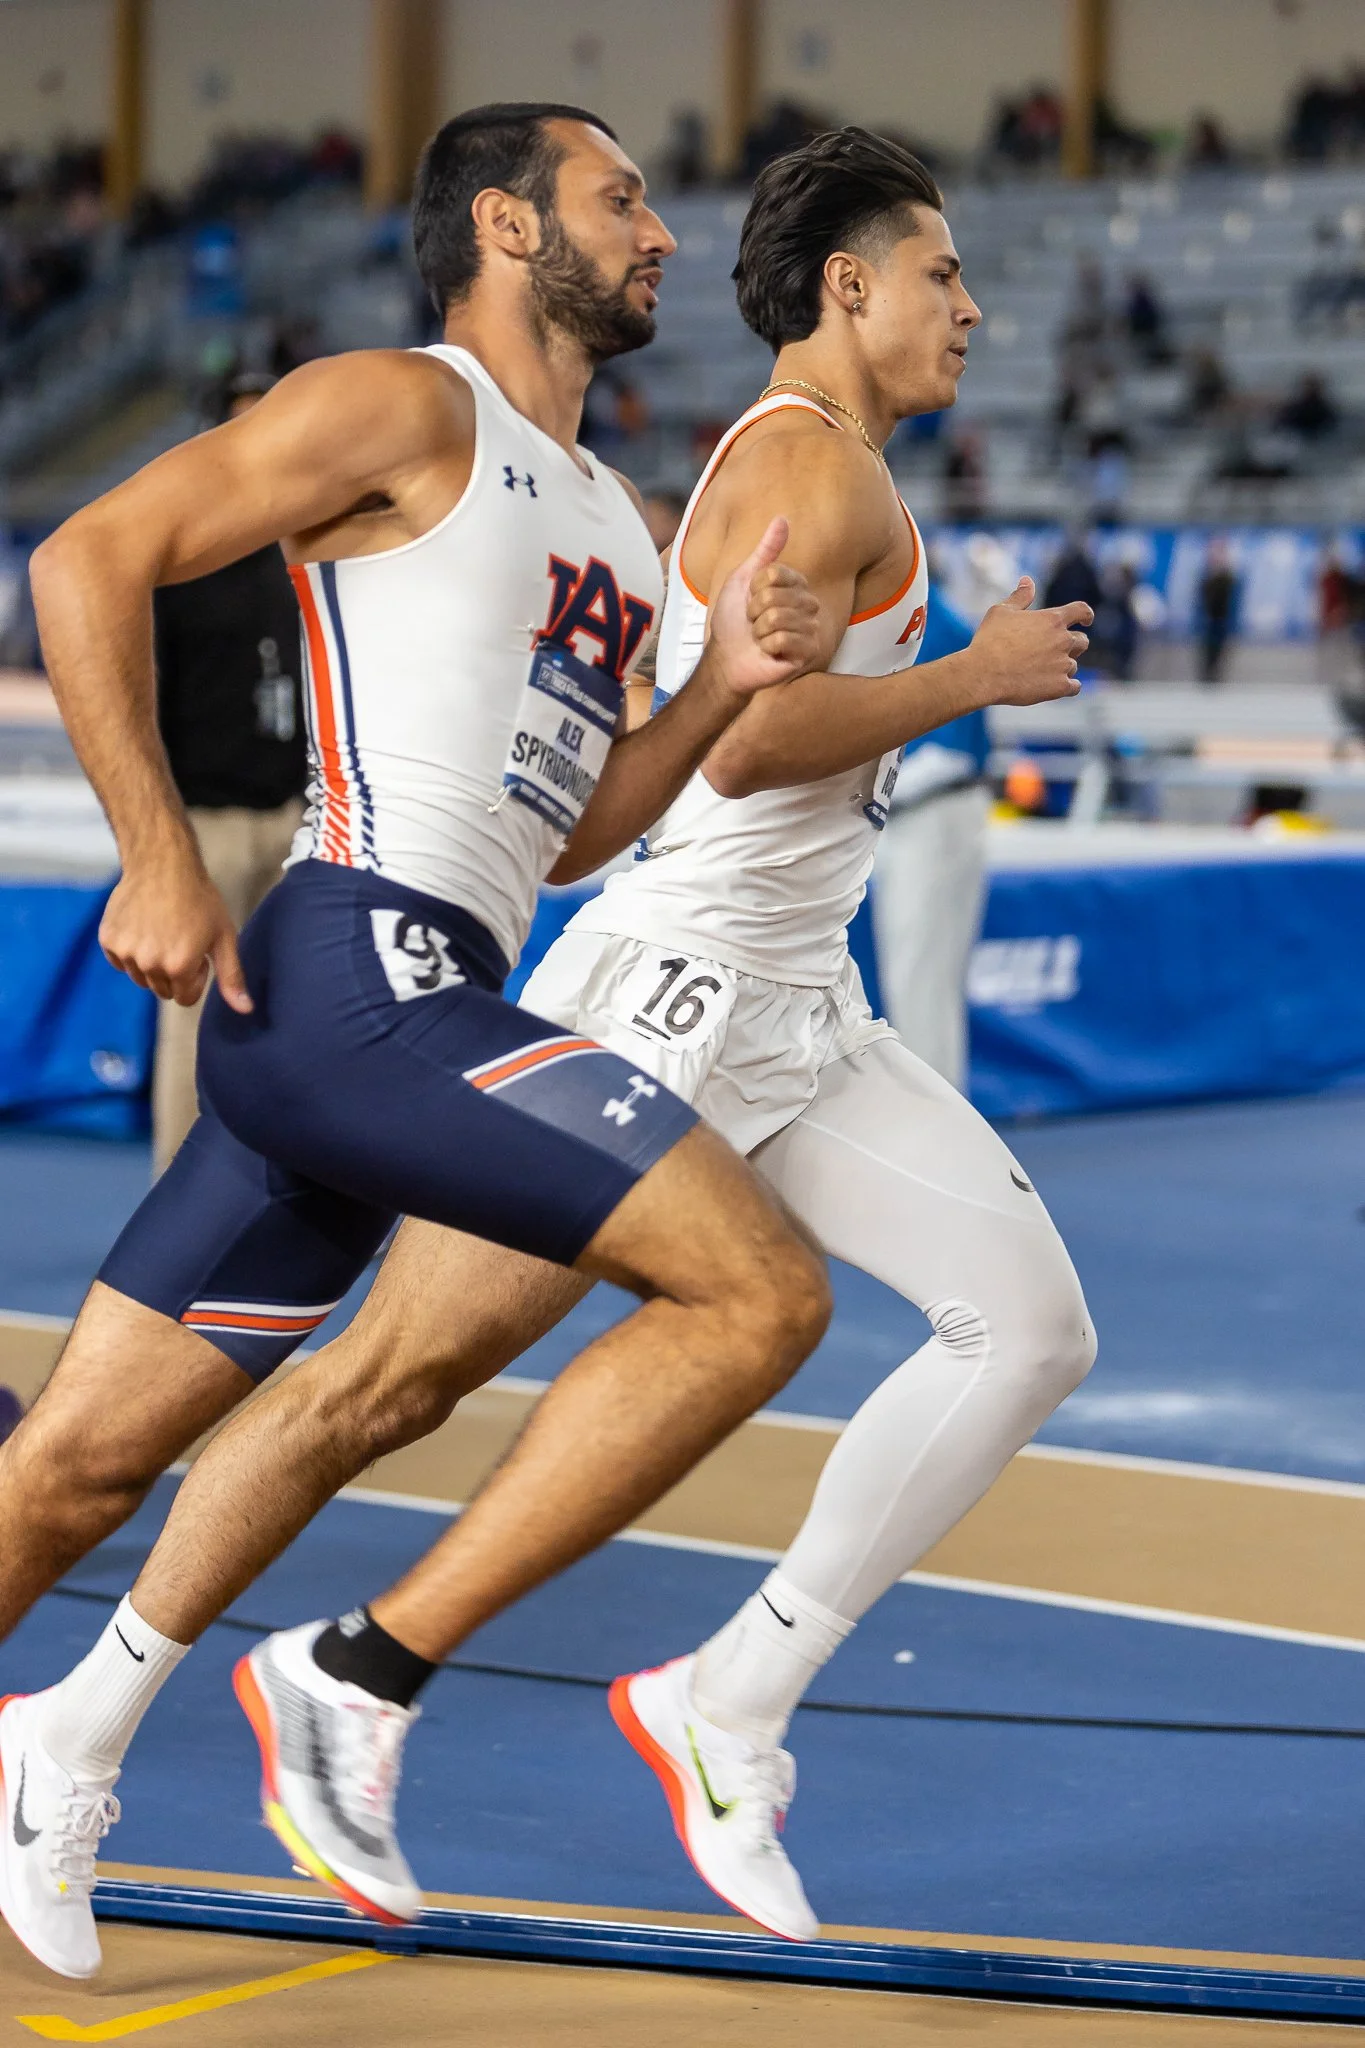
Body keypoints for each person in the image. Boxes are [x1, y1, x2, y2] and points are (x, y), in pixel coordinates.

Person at [17, 127, 1097, 1954]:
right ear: (509, 227)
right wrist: (152, 855)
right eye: (621, 202)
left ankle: (64, 1730)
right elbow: (86, 555)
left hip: (445, 988)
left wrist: (715, 693)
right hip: (362, 974)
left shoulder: (604, 513)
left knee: (78, 1465)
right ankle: (359, 1680)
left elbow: (581, 830)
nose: (663, 232)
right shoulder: (401, 403)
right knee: (755, 1297)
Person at [150, 371, 307, 1173]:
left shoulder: (307, 550)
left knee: (302, 1006)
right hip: (205, 820)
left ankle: (285, 1179)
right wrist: (156, 839)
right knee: (193, 1017)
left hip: (299, 813)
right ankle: (178, 1182)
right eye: (243, 424)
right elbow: (142, 702)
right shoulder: (180, 557)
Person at [870, 588, 991, 1089]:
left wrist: (856, 788)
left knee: (921, 983)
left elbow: (950, 756)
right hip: (920, 820)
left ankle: (935, 1124)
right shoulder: (914, 621)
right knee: (924, 985)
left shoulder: (933, 628)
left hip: (934, 816)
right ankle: (939, 1118)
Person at [1197, 539, 1240, 684]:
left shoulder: (1227, 577)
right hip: (1208, 620)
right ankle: (1206, 675)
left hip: (1221, 620)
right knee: (1207, 649)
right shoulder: (1206, 576)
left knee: (1219, 649)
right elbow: (1202, 598)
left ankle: (1215, 675)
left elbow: (1231, 598)